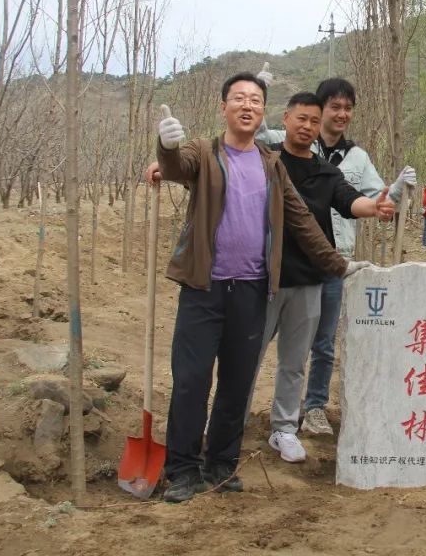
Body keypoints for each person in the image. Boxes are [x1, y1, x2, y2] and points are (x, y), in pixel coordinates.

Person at [151, 72, 369, 503]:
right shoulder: (204, 152)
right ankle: (182, 469)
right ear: (224, 107)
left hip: (252, 291)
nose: (247, 105)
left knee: (236, 383)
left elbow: (302, 220)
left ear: (263, 110)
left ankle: (221, 464)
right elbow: (176, 168)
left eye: (255, 99)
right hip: (204, 288)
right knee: (192, 380)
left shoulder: (271, 165)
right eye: (239, 98)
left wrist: (337, 265)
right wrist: (166, 147)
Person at [256, 76, 415, 437]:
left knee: (318, 345)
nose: (341, 114)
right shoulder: (275, 153)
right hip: (272, 263)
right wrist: (258, 93)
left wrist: (391, 195)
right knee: (254, 345)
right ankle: (232, 415)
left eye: (348, 108)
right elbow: (248, 138)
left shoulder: (347, 162)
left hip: (329, 263)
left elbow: (361, 199)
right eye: (334, 107)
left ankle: (308, 411)